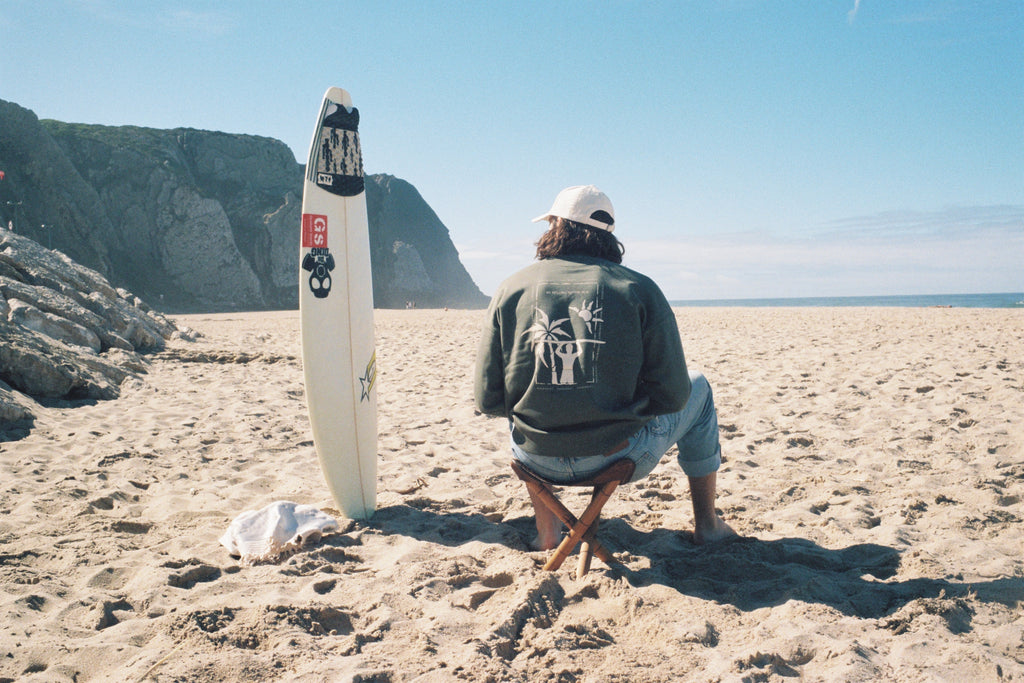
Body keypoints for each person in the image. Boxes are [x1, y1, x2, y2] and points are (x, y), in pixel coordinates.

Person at [474, 185, 736, 551]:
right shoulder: (639, 289)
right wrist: (628, 411)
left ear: (557, 226)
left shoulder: (511, 288)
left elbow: (487, 400)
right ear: (608, 235)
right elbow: (675, 395)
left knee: (524, 399)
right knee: (700, 387)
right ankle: (707, 525)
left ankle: (547, 533)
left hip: (535, 458)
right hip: (620, 456)